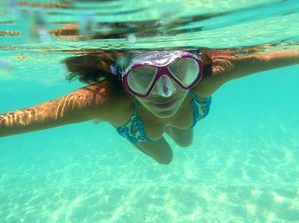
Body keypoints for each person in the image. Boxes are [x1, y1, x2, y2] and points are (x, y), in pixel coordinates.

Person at [0, 47, 298, 164]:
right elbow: (15, 122)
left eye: (181, 72)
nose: (166, 92)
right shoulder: (107, 101)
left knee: (185, 139)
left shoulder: (208, 79)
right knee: (166, 158)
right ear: (121, 78)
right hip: (136, 126)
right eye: (143, 76)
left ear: (196, 68)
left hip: (190, 113)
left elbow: (285, 55)